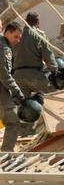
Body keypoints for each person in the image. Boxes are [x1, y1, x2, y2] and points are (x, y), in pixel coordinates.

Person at [13, 12, 57, 96]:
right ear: (38, 22)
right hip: (34, 75)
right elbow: (48, 55)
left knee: (23, 105)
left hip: (18, 76)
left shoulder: (16, 35)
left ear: (25, 21)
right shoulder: (39, 35)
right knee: (54, 96)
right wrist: (54, 69)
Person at [0, 22, 25, 151]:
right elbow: (4, 75)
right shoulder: (4, 48)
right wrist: (17, 92)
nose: (18, 40)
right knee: (13, 122)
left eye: (20, 37)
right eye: (16, 36)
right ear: (7, 33)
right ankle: (6, 155)